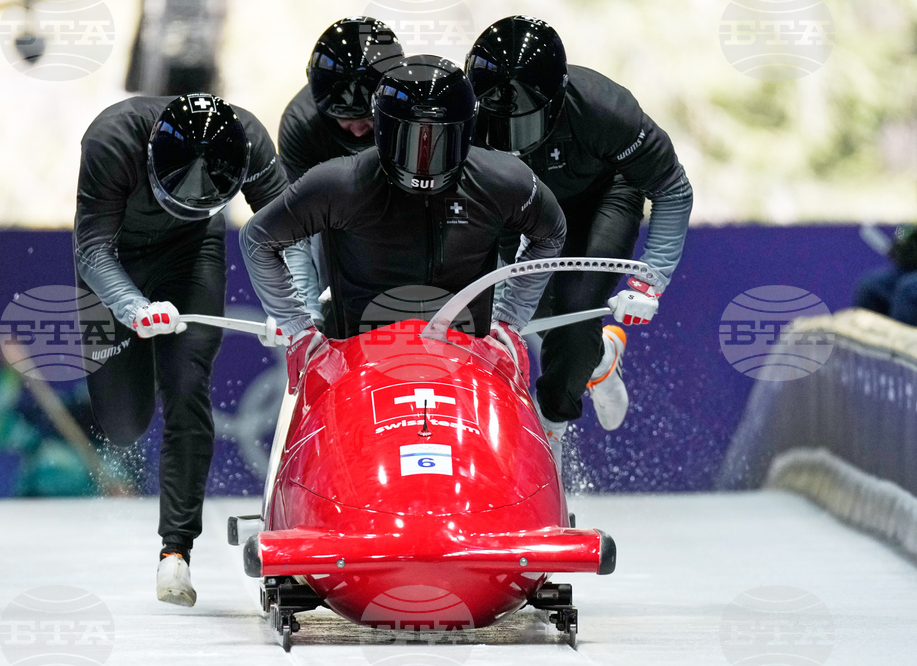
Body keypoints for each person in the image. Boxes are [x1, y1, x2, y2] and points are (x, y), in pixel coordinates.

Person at [73, 94, 287, 606]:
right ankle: (137, 360)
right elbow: (92, 250)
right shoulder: (109, 140)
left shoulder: (248, 140)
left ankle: (176, 552)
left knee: (188, 386)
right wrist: (132, 308)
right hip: (113, 258)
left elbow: (295, 229)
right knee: (123, 424)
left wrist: (296, 304)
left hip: (192, 252)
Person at [241, 56, 566, 390]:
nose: (423, 159)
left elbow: (550, 233)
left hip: (467, 365)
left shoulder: (501, 180)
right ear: (382, 128)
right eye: (409, 139)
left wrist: (510, 318)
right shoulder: (340, 183)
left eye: (438, 140)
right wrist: (298, 327)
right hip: (355, 366)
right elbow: (259, 239)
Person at [465, 16, 693, 465]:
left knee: (574, 312)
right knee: (525, 315)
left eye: (525, 122)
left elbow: (672, 187)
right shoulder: (461, 118)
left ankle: (551, 430)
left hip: (599, 199)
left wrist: (651, 281)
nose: (514, 140)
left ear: (558, 101)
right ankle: (601, 358)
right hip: (517, 208)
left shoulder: (604, 109)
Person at [279, 17, 404, 330]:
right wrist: (304, 312)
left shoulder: (418, 111)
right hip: (338, 217)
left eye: (368, 119)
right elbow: (298, 231)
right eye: (345, 120)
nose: (358, 131)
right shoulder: (302, 125)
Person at [854, 224, 917, 326]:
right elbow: (903, 231)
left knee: (908, 291)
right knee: (871, 287)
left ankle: (900, 336)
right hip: (910, 268)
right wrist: (901, 243)